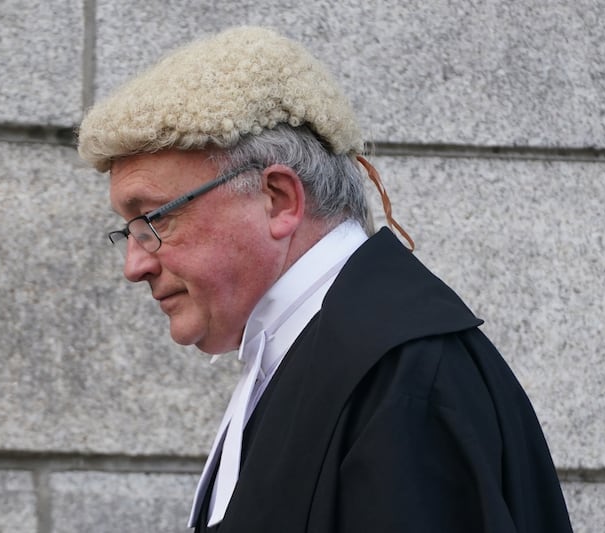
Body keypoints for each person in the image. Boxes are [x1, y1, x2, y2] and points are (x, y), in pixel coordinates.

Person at [77, 26, 573, 533]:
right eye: (130, 230)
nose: (134, 265)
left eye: (156, 219)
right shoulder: (325, 356)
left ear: (278, 200)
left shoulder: (402, 379)